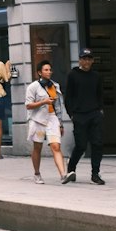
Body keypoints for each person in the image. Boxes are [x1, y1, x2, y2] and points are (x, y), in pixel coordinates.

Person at [62, 48, 105, 186]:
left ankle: (95, 174)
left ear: (92, 61)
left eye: (89, 59)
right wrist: (72, 114)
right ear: (80, 60)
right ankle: (71, 168)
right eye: (84, 58)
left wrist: (100, 110)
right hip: (79, 115)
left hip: (94, 113)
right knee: (81, 145)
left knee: (97, 143)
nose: (86, 61)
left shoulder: (96, 76)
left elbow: (100, 94)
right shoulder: (73, 75)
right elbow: (68, 97)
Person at [24, 59, 68, 186]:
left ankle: (63, 174)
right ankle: (37, 173)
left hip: (52, 118)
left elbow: (58, 106)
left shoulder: (55, 86)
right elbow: (28, 105)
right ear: (39, 72)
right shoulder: (33, 87)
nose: (49, 72)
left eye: (50, 70)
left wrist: (60, 123)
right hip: (38, 119)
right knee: (37, 147)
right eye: (46, 70)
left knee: (56, 146)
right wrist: (43, 102)